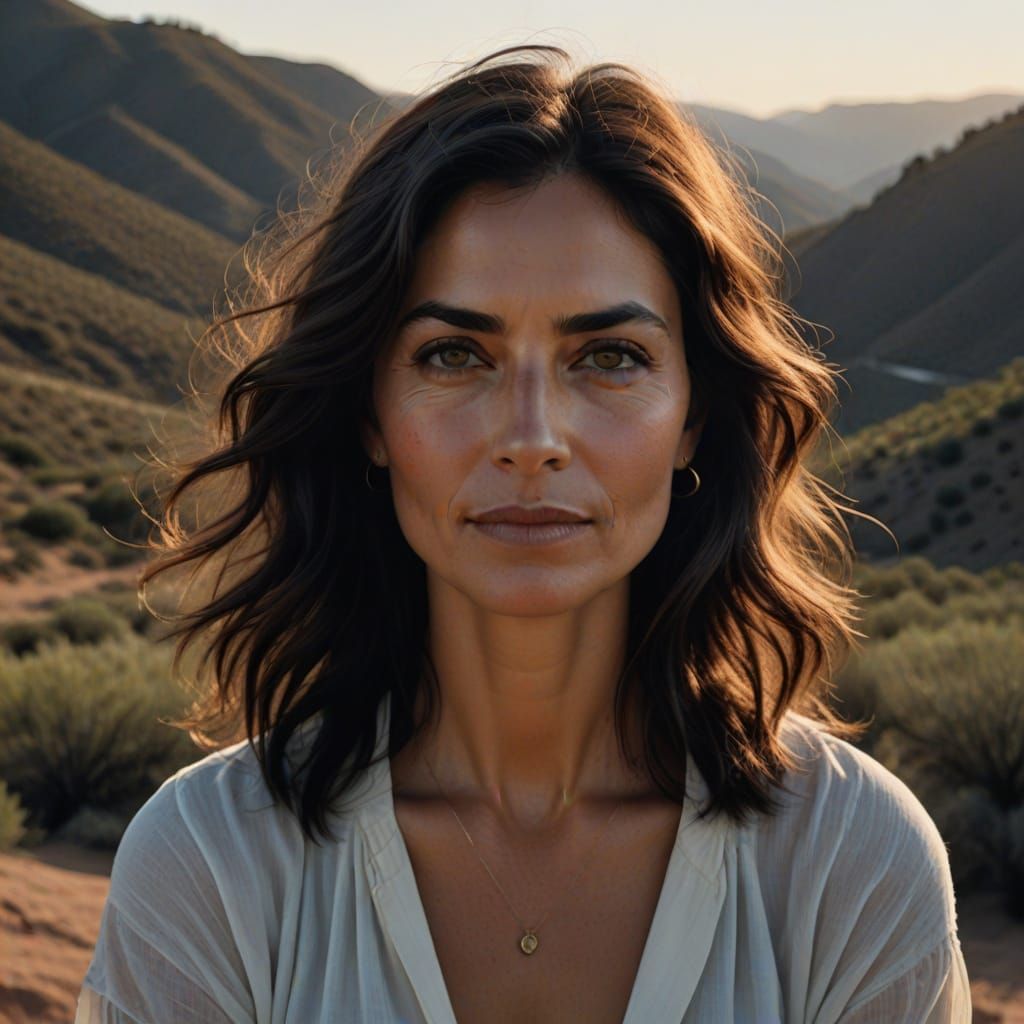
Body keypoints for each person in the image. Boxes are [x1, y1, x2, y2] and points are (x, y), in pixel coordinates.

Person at [75, 44, 971, 1023]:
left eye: (611, 357)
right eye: (455, 353)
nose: (532, 437)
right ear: (370, 413)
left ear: (695, 416)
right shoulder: (212, 864)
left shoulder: (851, 862)